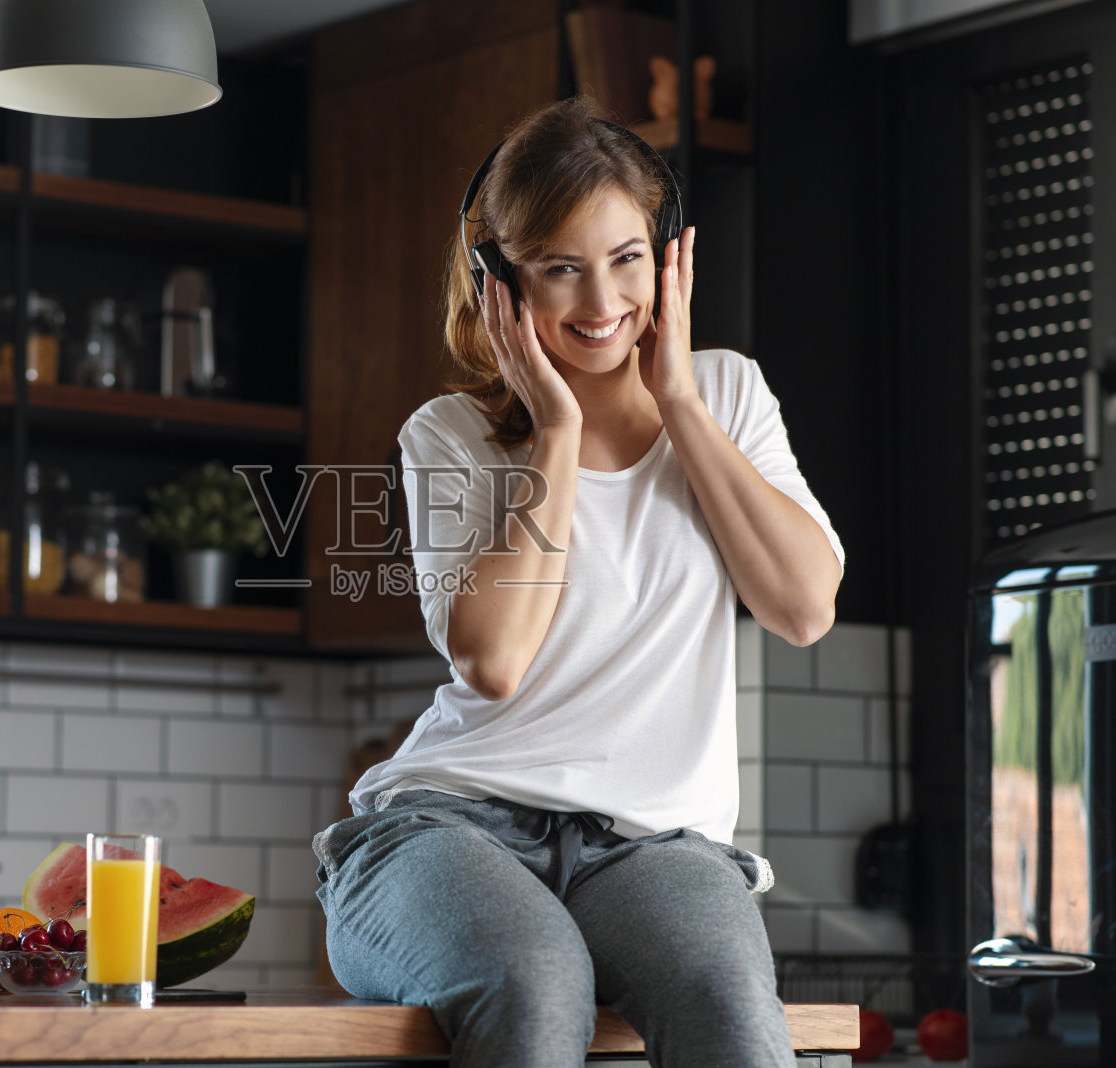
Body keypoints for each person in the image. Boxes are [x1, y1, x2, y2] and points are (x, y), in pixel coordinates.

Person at [310, 96, 845, 1068]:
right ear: (501, 280)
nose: (601, 301)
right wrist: (555, 431)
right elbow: (494, 662)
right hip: (449, 828)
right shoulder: (449, 434)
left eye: (625, 258)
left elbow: (803, 608)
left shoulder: (726, 393)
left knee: (728, 1003)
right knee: (535, 978)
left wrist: (679, 402)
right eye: (561, 267)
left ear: (666, 256)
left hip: (654, 846)